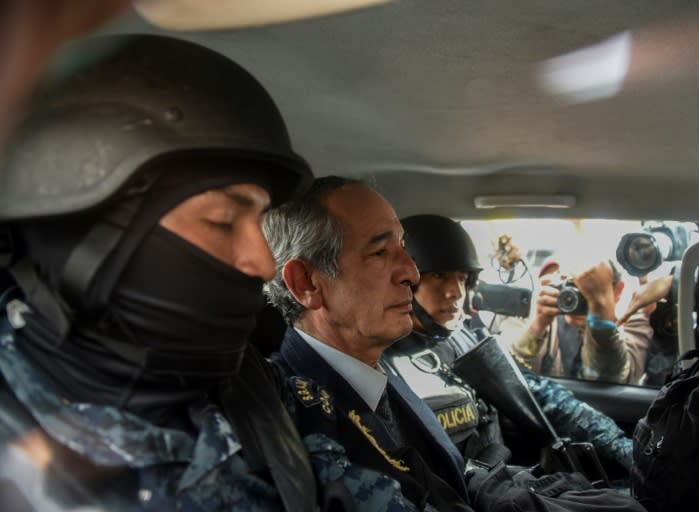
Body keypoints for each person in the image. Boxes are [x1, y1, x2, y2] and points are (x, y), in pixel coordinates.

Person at [0, 34, 416, 511]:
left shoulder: (253, 386)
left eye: (259, 224)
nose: (263, 264)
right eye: (223, 221)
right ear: (80, 233)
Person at [264, 176, 646, 512]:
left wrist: (637, 458)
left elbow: (538, 396)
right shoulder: (293, 413)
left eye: (403, 249)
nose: (411, 273)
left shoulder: (385, 367)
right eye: (380, 252)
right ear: (306, 284)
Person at [382, 214, 633, 471]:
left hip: (505, 483)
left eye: (461, 277)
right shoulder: (379, 360)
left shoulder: (467, 340)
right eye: (439, 275)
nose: (455, 291)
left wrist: (624, 450)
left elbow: (538, 395)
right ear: (407, 281)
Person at [504, 259, 652, 384]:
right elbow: (506, 370)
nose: (582, 297)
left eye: (593, 289)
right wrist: (538, 325)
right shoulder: (541, 315)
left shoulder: (634, 322)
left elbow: (615, 380)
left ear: (618, 291)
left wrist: (600, 318)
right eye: (572, 285)